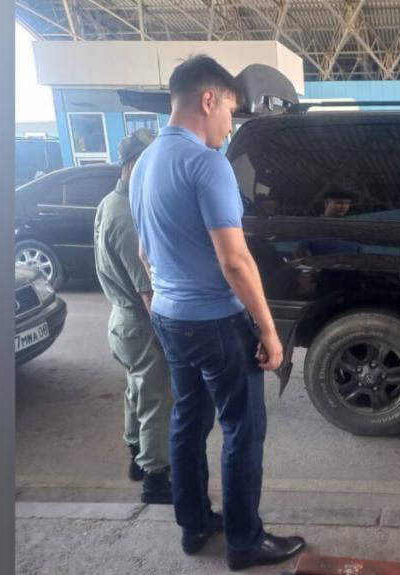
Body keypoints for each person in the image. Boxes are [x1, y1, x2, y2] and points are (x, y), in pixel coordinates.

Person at [129, 54, 306, 571]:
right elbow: (234, 260)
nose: (232, 123)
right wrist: (270, 332)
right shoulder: (207, 164)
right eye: (231, 109)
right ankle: (246, 542)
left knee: (188, 419)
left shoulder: (144, 163)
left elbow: (145, 252)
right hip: (214, 321)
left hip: (169, 315)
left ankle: (194, 525)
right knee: (242, 429)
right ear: (209, 99)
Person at [93, 128, 173, 505]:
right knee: (157, 399)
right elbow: (148, 292)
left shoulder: (110, 202)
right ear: (131, 164)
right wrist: (172, 337)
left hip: (122, 324)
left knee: (136, 392)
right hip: (140, 323)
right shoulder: (127, 215)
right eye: (147, 159)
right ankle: (156, 479)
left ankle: (136, 460)